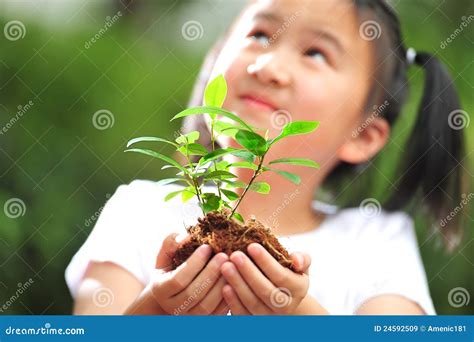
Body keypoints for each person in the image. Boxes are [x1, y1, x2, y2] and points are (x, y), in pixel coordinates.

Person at [65, 0, 466, 315]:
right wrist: (157, 311)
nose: (267, 66)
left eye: (316, 53)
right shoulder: (139, 211)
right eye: (259, 34)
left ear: (363, 135)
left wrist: (298, 315)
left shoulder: (376, 242)